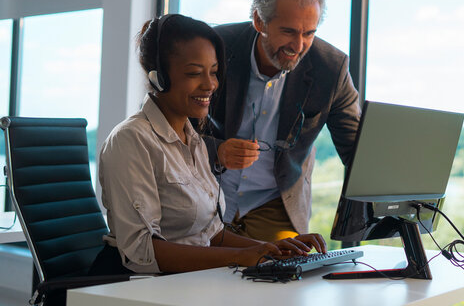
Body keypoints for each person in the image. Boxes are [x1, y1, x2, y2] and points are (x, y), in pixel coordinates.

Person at [91, 14, 326, 275]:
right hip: (133, 287)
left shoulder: (194, 141)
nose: (210, 84)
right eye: (194, 73)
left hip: (186, 284)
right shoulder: (131, 141)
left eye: (214, 72)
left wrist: (273, 249)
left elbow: (211, 234)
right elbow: (141, 252)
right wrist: (241, 257)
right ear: (159, 77)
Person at [204, 0, 360, 242]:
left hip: (276, 204)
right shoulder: (215, 47)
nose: (298, 46)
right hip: (206, 194)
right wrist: (217, 150)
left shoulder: (331, 68)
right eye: (288, 31)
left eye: (309, 33)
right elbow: (172, 130)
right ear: (258, 20)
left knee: (284, 275)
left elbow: (357, 150)